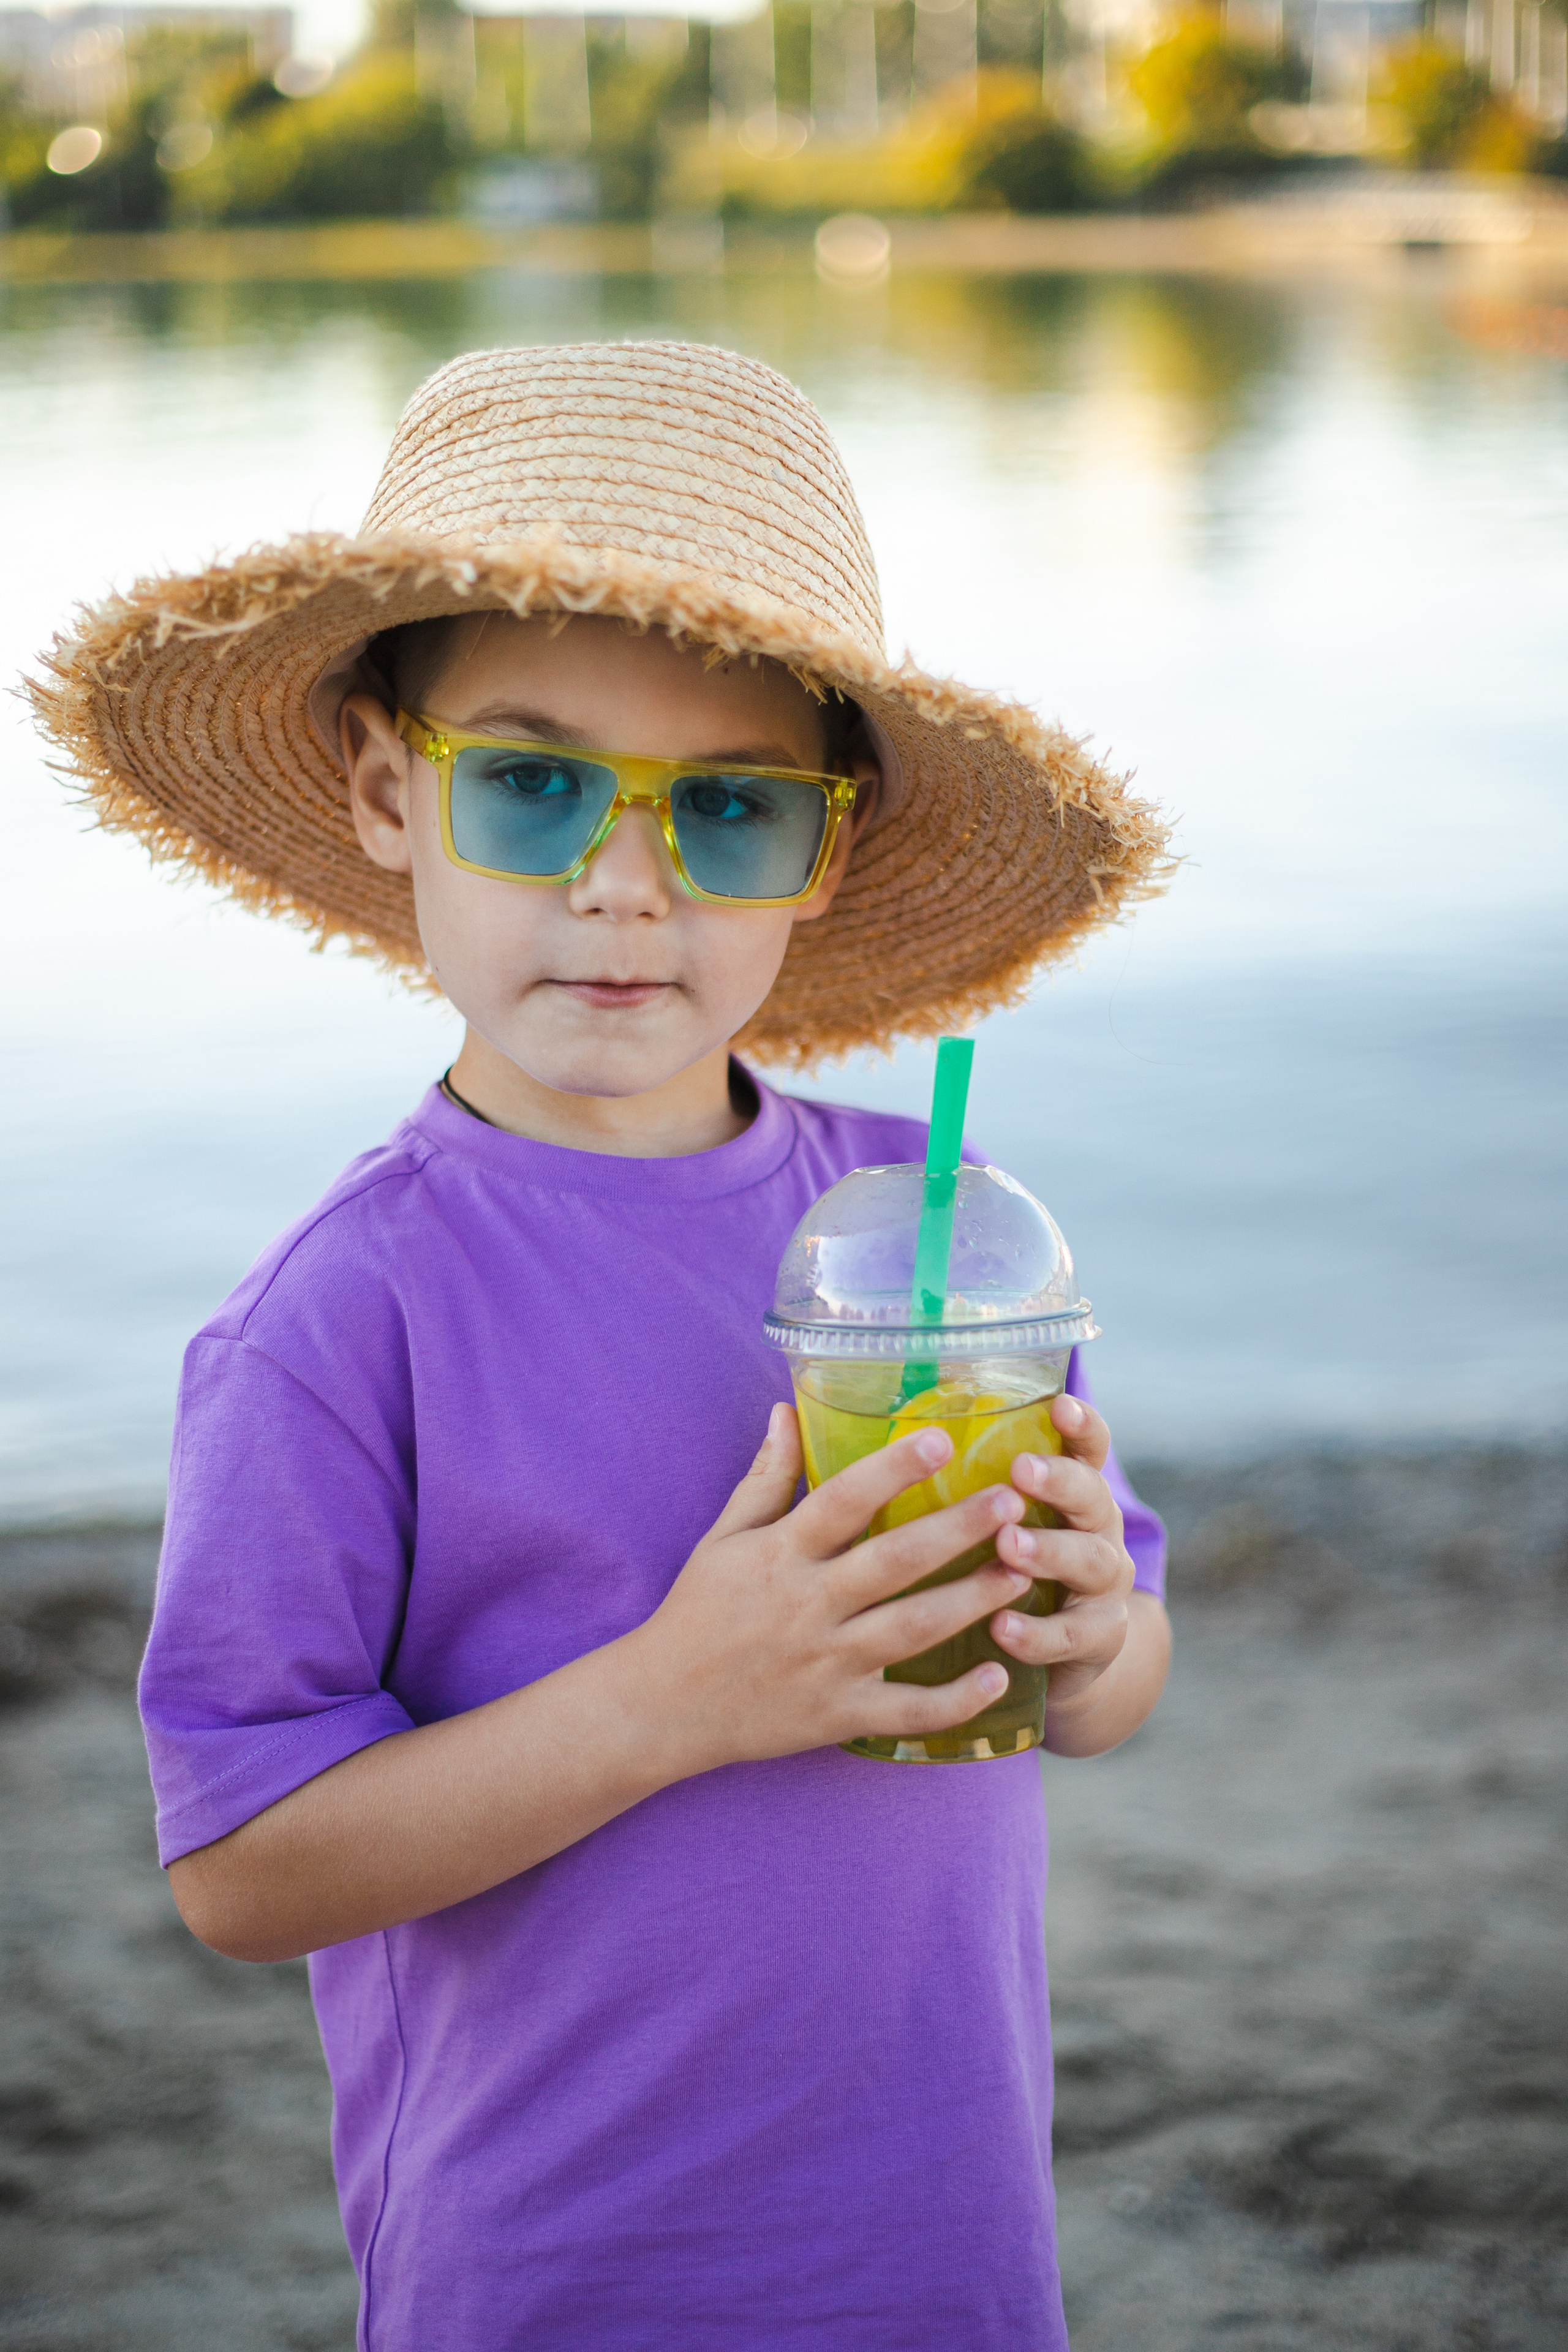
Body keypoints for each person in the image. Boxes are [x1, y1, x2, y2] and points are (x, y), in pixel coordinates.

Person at [32, 340, 1174, 2351]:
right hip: (558, 2264)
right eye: (538, 782)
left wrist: (1090, 1634)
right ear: (392, 795)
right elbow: (242, 1869)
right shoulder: (341, 1317)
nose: (624, 886)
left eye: (728, 812)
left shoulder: (926, 1231)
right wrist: (683, 1694)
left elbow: (1107, 1679)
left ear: (820, 856)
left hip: (944, 2248)